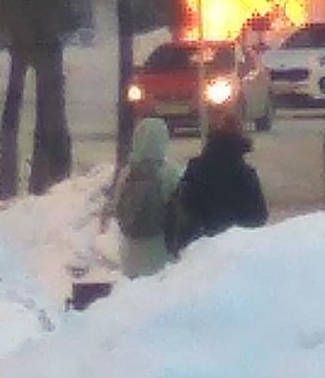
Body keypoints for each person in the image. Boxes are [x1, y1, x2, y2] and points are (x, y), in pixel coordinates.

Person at [171, 115, 268, 254]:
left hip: (198, 247)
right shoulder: (245, 175)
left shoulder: (195, 168)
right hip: (233, 250)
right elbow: (258, 217)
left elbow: (185, 205)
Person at [112, 117, 181, 279]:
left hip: (130, 253)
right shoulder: (170, 173)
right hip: (159, 252)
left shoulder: (127, 173)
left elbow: (118, 208)